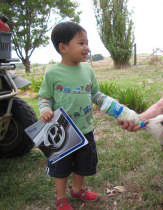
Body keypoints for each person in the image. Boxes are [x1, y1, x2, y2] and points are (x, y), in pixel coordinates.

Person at [38, 22, 108, 210]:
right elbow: (44, 97)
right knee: (61, 167)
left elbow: (94, 94)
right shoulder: (52, 73)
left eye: (87, 43)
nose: (87, 47)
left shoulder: (88, 70)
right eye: (81, 43)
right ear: (63, 47)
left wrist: (109, 104)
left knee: (83, 164)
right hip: (62, 132)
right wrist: (45, 109)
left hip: (85, 129)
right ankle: (61, 198)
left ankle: (77, 190)